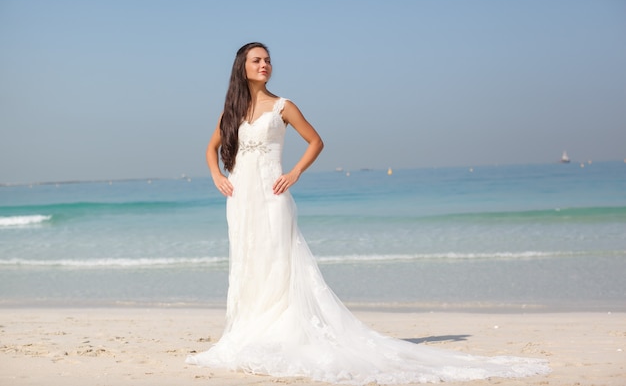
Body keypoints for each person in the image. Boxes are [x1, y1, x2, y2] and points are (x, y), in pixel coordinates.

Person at [185, 42, 550, 385]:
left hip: (273, 195)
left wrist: (293, 173)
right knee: (249, 262)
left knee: (281, 261)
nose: (265, 65)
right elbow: (211, 148)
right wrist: (217, 174)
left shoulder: (284, 106)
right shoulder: (231, 111)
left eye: (267, 60)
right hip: (241, 200)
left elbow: (316, 141)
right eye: (257, 61)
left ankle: (279, 331)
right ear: (243, 68)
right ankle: (250, 331)